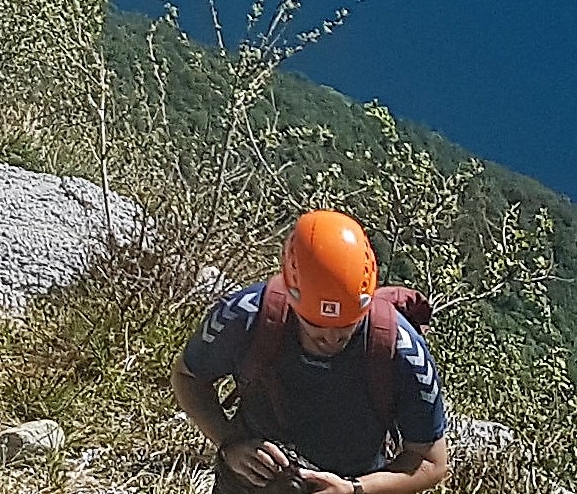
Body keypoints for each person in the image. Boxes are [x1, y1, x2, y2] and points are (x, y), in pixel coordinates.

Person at [172, 211, 452, 494]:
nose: (330, 339)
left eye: (346, 327)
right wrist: (230, 441)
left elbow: (431, 462)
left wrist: (353, 490)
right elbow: (187, 376)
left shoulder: (400, 351)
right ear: (292, 299)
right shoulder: (246, 317)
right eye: (315, 326)